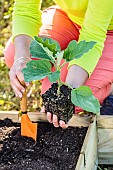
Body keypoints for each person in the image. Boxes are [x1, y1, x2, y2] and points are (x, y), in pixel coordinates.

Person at [4, 0, 113, 128]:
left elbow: (93, 35)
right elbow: (25, 10)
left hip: (106, 29)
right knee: (14, 54)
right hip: (70, 18)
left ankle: (110, 88)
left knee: (75, 100)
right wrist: (21, 58)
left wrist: (68, 92)